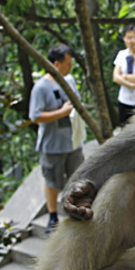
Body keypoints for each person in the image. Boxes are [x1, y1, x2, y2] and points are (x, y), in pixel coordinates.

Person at [29, 44, 84, 235]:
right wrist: (61, 112)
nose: (70, 66)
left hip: (73, 141)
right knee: (53, 182)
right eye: (67, 63)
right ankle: (52, 215)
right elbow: (35, 116)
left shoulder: (69, 80)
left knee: (77, 177)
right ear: (55, 64)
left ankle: (76, 211)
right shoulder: (41, 87)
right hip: (52, 144)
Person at [112, 25, 135, 127]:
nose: (130, 41)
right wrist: (133, 84)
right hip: (124, 101)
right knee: (124, 131)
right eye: (128, 38)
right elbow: (115, 77)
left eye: (133, 37)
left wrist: (124, 76)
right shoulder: (121, 54)